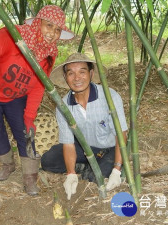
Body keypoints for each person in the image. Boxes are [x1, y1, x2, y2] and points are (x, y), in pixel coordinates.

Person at [0, 5, 74, 196]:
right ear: (38, 23)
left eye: (58, 30)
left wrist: (30, 116)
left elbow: (39, 85)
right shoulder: (12, 35)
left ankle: (30, 177)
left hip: (16, 97)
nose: (53, 34)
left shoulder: (50, 52)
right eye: (49, 26)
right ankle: (8, 164)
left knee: (26, 133)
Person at [41, 53, 128, 200]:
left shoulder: (109, 97)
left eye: (82, 72)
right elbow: (68, 144)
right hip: (83, 147)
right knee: (48, 161)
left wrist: (117, 170)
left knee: (98, 175)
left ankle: (96, 168)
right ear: (65, 77)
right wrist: (70, 174)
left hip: (109, 148)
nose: (77, 78)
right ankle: (83, 167)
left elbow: (121, 135)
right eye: (71, 73)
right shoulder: (63, 105)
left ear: (91, 73)